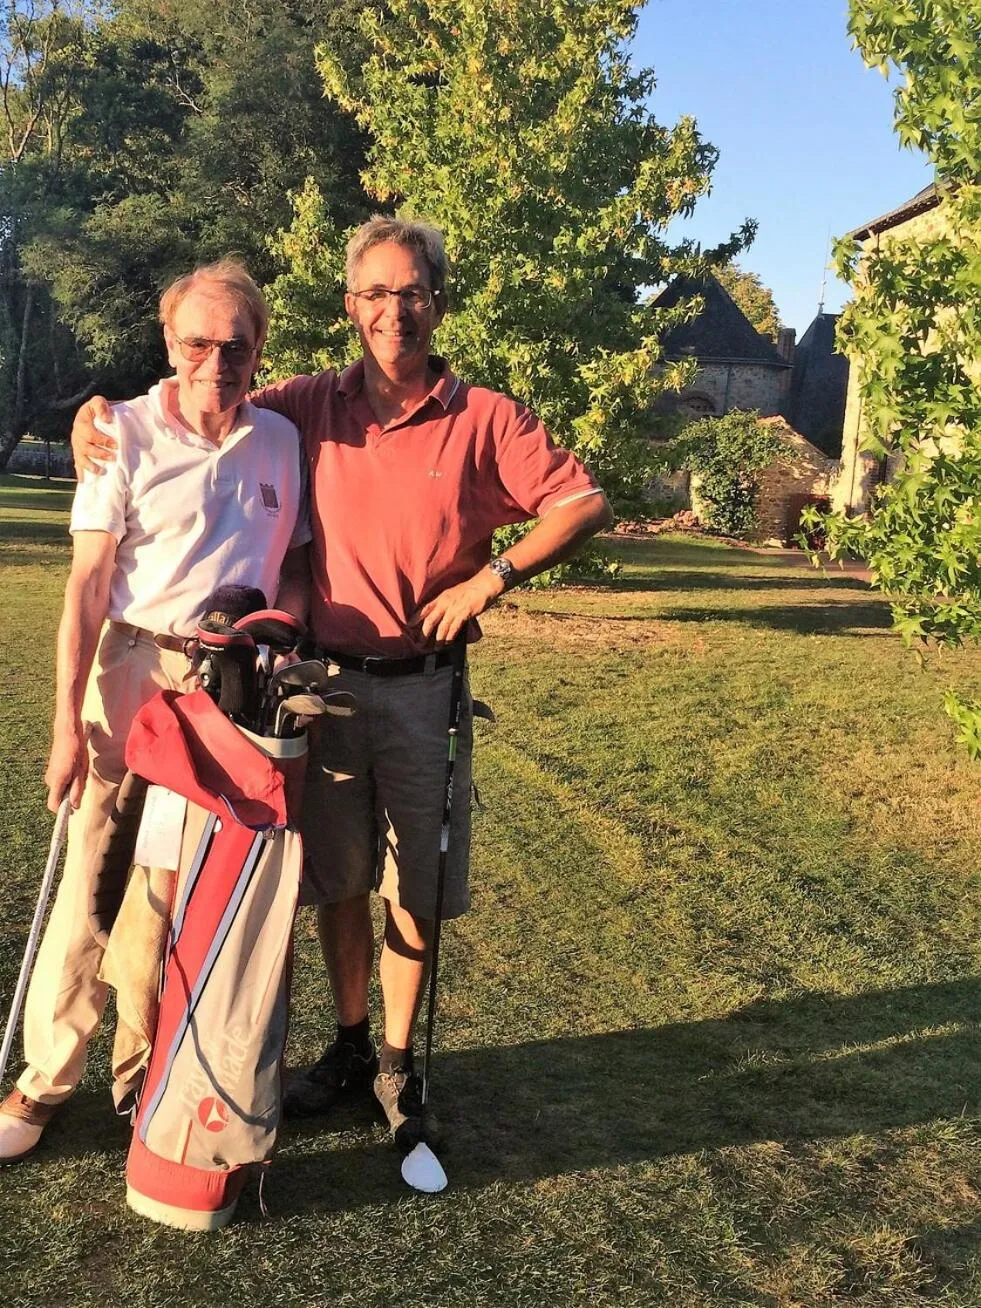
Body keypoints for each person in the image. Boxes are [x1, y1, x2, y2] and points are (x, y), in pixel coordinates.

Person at [69, 217, 613, 1157]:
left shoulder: (488, 416)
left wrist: (491, 580)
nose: (393, 312)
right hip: (317, 688)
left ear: (437, 302)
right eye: (375, 295)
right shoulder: (309, 404)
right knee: (338, 882)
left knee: (415, 885)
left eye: (412, 294)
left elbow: (582, 501)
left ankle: (399, 1062)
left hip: (420, 688)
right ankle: (352, 1046)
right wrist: (98, 413)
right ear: (351, 307)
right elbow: (199, 392)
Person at [0, 260, 310, 1165]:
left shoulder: (282, 439)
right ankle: (46, 1077)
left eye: (237, 346)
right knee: (94, 873)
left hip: (229, 686)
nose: (218, 363)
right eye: (198, 344)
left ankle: (145, 1076)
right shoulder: (119, 433)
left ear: (259, 350)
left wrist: (282, 623)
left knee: (174, 889)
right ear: (169, 345)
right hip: (133, 666)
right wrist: (65, 723)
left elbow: (295, 558)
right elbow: (87, 585)